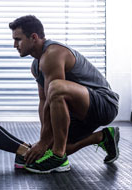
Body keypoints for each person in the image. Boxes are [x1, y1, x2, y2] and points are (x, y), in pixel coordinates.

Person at [9, 15, 120, 174]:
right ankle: (104, 137)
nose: (15, 45)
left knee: (56, 87)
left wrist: (43, 142)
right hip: (79, 111)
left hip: (104, 104)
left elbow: (55, 92)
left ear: (33, 37)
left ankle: (59, 158)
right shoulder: (36, 66)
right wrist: (43, 142)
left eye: (18, 39)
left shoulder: (52, 53)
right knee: (57, 145)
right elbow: (44, 102)